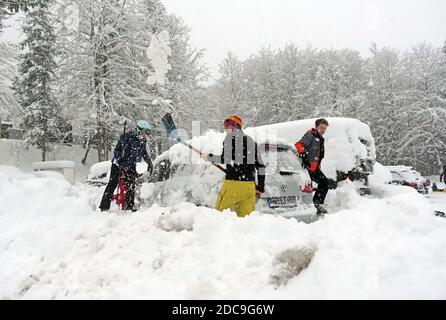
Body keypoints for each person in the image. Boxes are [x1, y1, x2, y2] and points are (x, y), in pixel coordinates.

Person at [200, 115, 265, 217]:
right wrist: (260, 188)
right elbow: (261, 166)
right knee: (246, 220)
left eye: (228, 125)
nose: (226, 129)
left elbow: (225, 158)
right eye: (225, 126)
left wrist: (208, 157)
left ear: (236, 126)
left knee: (219, 216)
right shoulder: (252, 142)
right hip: (249, 187)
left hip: (233, 185)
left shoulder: (230, 138)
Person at [99, 120, 153, 212]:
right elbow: (117, 150)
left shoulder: (142, 141)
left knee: (131, 186)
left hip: (130, 165)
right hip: (118, 164)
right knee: (113, 184)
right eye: (144, 132)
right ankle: (104, 206)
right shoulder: (127, 137)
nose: (145, 135)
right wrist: (120, 159)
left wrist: (149, 163)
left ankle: (128, 207)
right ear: (138, 130)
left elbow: (144, 153)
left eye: (147, 133)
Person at [294, 118, 330, 215]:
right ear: (316, 126)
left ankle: (317, 203)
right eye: (321, 128)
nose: (323, 130)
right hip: (307, 167)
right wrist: (304, 156)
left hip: (314, 168)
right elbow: (298, 145)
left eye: (325, 129)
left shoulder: (320, 138)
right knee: (321, 184)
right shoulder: (310, 135)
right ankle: (314, 204)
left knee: (324, 183)